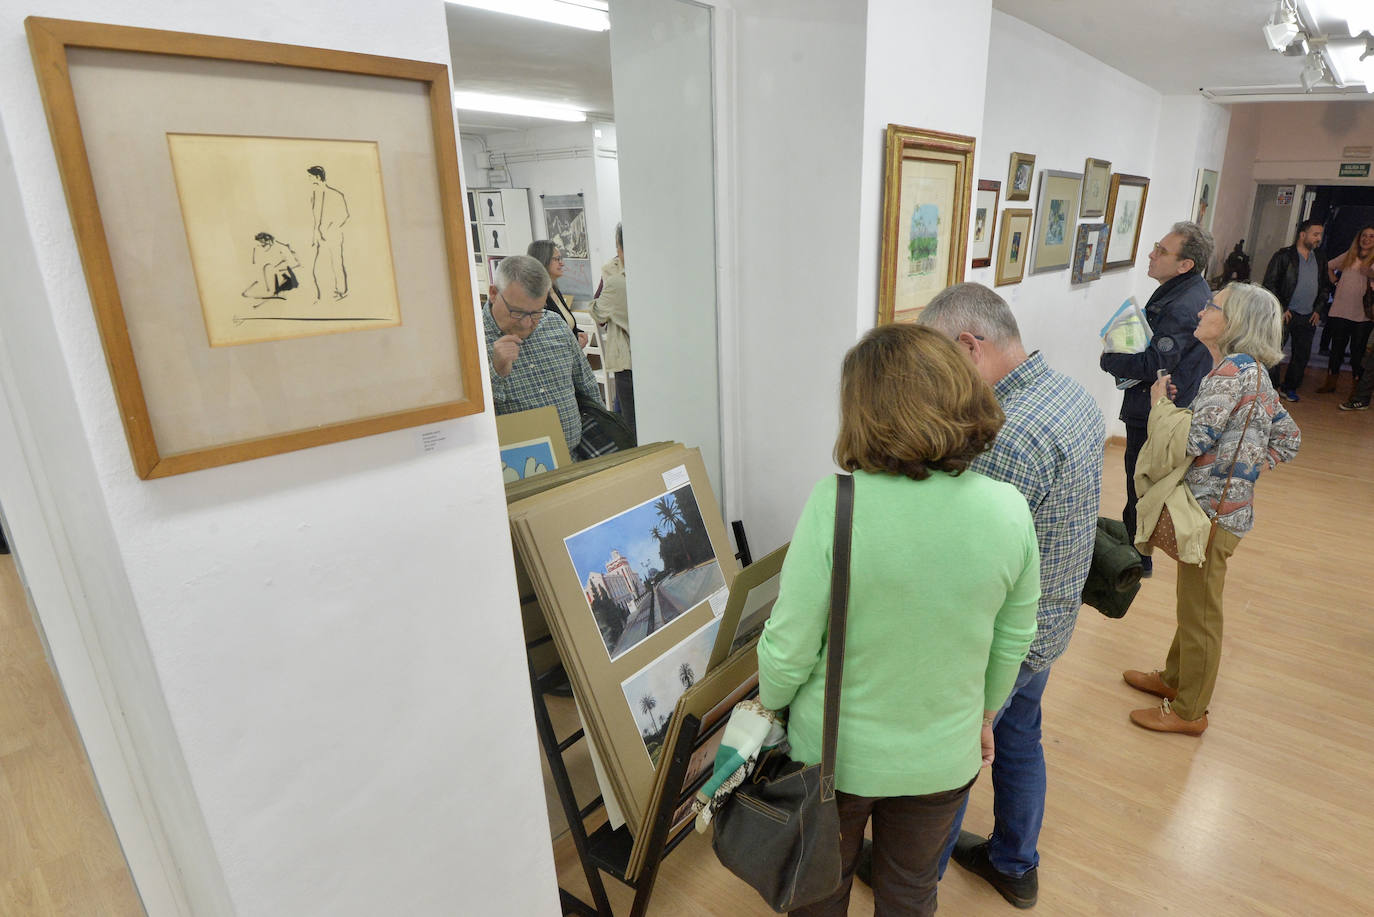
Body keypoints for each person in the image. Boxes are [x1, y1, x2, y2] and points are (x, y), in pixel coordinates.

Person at [757, 324, 1040, 917]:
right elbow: (1014, 634)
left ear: (864, 410)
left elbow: (789, 649)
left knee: (819, 890)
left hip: (833, 753)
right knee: (912, 891)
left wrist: (771, 705)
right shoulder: (1009, 510)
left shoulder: (835, 504)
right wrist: (986, 713)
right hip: (944, 751)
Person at [914, 284, 1105, 910]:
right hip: (1050, 625)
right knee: (1021, 739)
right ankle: (1015, 864)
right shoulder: (1070, 395)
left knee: (961, 756)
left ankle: (922, 876)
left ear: (971, 347)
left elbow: (977, 566)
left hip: (1007, 640)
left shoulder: (1008, 433)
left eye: (937, 362)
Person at [1124, 283, 1300, 735]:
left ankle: (1189, 712)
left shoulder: (1228, 374)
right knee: (1193, 605)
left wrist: (1161, 404)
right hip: (1225, 514)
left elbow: (1193, 440)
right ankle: (1174, 679)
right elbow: (1288, 439)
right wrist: (1240, 469)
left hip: (1210, 517)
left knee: (1201, 614)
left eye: (1213, 306)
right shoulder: (1254, 372)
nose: (1202, 310)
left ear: (1234, 322)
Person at [1100, 221, 1214, 575]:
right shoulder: (1182, 290)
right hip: (1158, 404)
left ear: (1185, 265)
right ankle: (1136, 547)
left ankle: (1137, 560)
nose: (1151, 254)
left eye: (1161, 251)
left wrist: (1109, 358)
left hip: (1155, 408)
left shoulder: (1182, 303)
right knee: (1141, 478)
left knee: (1142, 481)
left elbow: (1155, 362)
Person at [484, 254, 612, 459]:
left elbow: (587, 386)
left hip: (576, 457)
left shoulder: (554, 324)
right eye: (517, 312)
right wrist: (496, 372)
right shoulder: (472, 343)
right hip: (518, 469)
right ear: (493, 293)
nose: (527, 324)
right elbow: (473, 423)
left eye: (536, 313)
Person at [1262, 220, 1330, 402]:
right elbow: (1269, 284)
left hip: (1308, 316)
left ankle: (1289, 387)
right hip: (1285, 315)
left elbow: (1325, 286)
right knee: (1274, 353)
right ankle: (1271, 388)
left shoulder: (1321, 258)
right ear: (1302, 234)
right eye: (1315, 234)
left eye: (1320, 235)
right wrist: (1281, 308)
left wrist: (1318, 309)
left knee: (1302, 356)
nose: (1319, 239)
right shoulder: (1283, 256)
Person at [1315, 225, 1374, 396]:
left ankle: (1357, 388)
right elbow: (1328, 266)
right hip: (1340, 310)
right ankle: (1330, 383)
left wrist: (1369, 274)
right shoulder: (1349, 255)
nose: (1367, 239)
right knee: (1336, 350)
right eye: (1364, 236)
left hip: (1363, 314)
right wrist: (1335, 283)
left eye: (1371, 236)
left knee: (1358, 353)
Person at [590, 223, 633, 432]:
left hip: (627, 361)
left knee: (630, 425)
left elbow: (598, 314)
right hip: (645, 361)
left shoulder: (616, 281)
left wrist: (608, 278)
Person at [526, 240, 587, 348]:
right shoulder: (535, 297)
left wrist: (578, 333)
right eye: (557, 259)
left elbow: (564, 324)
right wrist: (574, 342)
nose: (562, 263)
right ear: (543, 261)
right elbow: (546, 336)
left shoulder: (554, 289)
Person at [307, 165, 349, 302]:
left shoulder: (336, 194)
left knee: (336, 264)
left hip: (333, 236)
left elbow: (343, 215)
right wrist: (316, 236)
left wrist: (329, 229)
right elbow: (315, 219)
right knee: (317, 267)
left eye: (311, 177)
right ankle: (321, 295)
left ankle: (341, 291)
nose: (309, 179)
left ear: (318, 177)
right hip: (320, 238)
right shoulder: (314, 195)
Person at [242, 232, 300, 301]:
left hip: (283, 270)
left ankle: (277, 291)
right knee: (269, 269)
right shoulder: (261, 249)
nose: (261, 244)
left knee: (273, 271)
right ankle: (276, 291)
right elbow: (257, 262)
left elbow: (285, 260)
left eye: (262, 242)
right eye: (260, 242)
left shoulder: (275, 247)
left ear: (267, 240)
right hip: (274, 270)